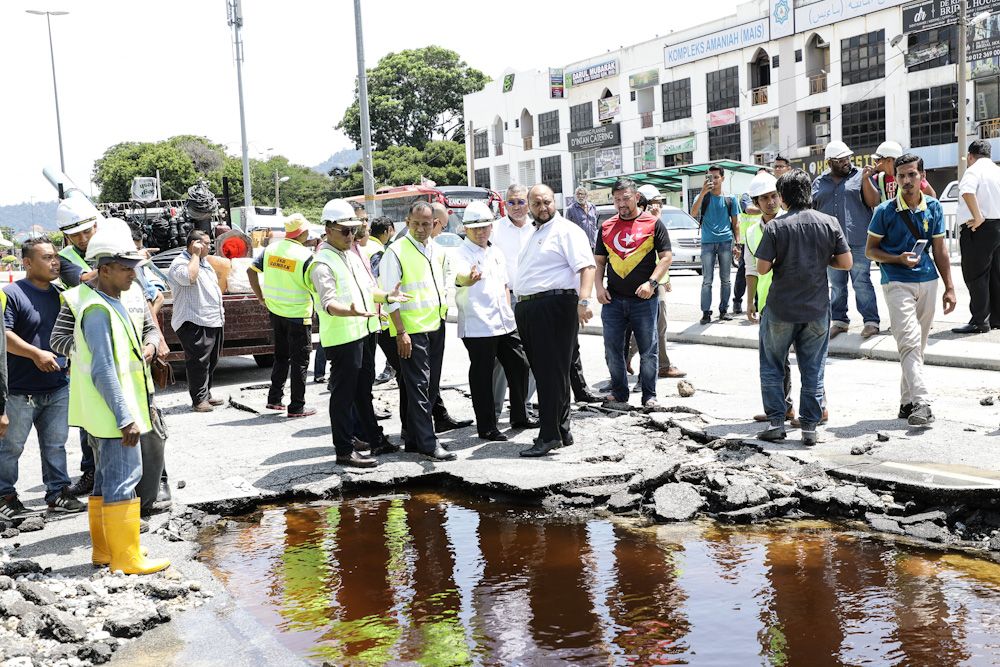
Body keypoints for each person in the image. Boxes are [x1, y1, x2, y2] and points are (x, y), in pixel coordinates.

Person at [61, 225, 169, 574]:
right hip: (114, 413)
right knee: (124, 478)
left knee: (107, 480)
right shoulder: (97, 310)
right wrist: (126, 417)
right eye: (125, 267)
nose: (133, 273)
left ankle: (106, 551)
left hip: (105, 411)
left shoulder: (112, 300)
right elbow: (104, 370)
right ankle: (127, 557)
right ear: (104, 268)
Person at [754, 169, 852, 446]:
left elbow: (762, 268)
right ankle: (810, 427)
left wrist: (781, 260)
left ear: (783, 197)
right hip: (817, 308)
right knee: (813, 367)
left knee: (772, 365)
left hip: (780, 308)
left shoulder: (775, 227)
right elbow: (845, 263)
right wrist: (822, 260)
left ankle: (776, 423)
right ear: (809, 193)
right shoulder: (829, 222)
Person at [310, 199, 409, 468]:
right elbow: (329, 303)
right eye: (345, 230)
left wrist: (387, 295)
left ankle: (372, 438)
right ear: (328, 229)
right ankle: (343, 450)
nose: (351, 236)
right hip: (343, 339)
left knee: (363, 391)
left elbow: (368, 290)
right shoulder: (322, 262)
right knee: (343, 396)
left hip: (364, 332)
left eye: (353, 230)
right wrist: (351, 312)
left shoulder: (350, 254)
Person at [866, 154, 957, 426]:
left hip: (928, 279)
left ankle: (906, 403)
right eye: (902, 175)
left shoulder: (934, 207)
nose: (906, 180)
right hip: (895, 280)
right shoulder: (884, 211)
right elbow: (871, 251)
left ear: (922, 176)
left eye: (912, 175)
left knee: (918, 346)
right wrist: (897, 258)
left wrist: (950, 288)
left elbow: (940, 250)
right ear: (895, 178)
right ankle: (922, 402)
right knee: (908, 340)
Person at [0, 238, 84, 520]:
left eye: (56, 257)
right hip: (19, 390)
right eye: (47, 258)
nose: (55, 262)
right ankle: (5, 497)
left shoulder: (61, 294)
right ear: (27, 262)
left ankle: (58, 493)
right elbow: (4, 336)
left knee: (55, 444)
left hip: (57, 385)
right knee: (11, 447)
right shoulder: (11, 294)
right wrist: (36, 354)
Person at [515, 184, 596, 457]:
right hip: (532, 308)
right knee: (551, 373)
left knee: (550, 374)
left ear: (555, 202)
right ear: (529, 206)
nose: (543, 207)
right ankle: (561, 429)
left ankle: (548, 435)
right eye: (536, 203)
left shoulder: (566, 230)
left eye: (547, 202)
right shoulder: (535, 231)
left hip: (553, 305)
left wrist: (583, 302)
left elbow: (586, 267)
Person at [745, 171, 829, 428]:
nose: (770, 202)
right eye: (764, 198)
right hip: (772, 304)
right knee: (781, 361)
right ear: (756, 203)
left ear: (781, 196)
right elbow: (752, 270)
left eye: (773, 196)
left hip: (801, 300)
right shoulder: (752, 231)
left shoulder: (793, 222)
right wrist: (751, 302)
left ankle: (817, 409)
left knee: (808, 361)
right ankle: (783, 409)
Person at [379, 201, 456, 461]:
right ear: (407, 222)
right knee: (419, 387)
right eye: (416, 224)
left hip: (435, 324)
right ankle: (427, 442)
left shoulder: (438, 249)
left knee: (431, 386)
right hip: (411, 330)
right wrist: (400, 332)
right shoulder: (396, 251)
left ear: (434, 223)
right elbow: (389, 297)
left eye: (426, 224)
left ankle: (413, 438)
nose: (421, 229)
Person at [453, 202, 535, 441]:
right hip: (478, 324)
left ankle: (520, 415)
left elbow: (505, 285)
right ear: (466, 229)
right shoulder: (460, 253)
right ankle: (487, 426)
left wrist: (508, 311)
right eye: (475, 228)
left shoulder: (495, 251)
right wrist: (467, 279)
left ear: (491, 226)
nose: (480, 232)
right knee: (483, 377)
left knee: (520, 364)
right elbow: (461, 277)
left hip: (504, 322)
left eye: (484, 227)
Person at [595, 179, 672, 410]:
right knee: (612, 350)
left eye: (626, 198)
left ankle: (649, 395)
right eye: (617, 200)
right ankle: (619, 393)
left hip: (644, 301)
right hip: (613, 300)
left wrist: (652, 283)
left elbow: (666, 257)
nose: (621, 204)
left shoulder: (653, 224)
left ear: (637, 197)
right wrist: (598, 288)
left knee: (649, 350)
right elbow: (599, 263)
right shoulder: (606, 227)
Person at [248, 213, 316, 417]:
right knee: (300, 361)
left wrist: (260, 297)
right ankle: (297, 407)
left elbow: (251, 272)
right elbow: (315, 287)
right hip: (298, 315)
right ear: (302, 232)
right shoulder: (305, 256)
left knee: (281, 356)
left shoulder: (271, 249)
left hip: (275, 312)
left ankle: (275, 399)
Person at [811, 140, 879, 339]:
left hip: (857, 239)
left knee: (861, 282)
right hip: (830, 243)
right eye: (840, 160)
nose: (846, 162)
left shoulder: (860, 175)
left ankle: (871, 321)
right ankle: (840, 322)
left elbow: (874, 201)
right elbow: (813, 209)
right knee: (837, 284)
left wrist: (867, 179)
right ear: (829, 162)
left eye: (847, 158)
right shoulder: (819, 182)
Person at [55, 199, 101, 497]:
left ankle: (154, 474)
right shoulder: (66, 258)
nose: (83, 239)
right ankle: (91, 471)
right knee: (88, 414)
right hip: (83, 342)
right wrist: (119, 261)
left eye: (87, 232)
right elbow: (82, 281)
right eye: (76, 235)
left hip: (120, 335)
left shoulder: (111, 246)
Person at [623, 185, 686, 381]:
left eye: (660, 203)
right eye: (655, 203)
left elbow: (665, 257)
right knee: (655, 326)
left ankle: (632, 357)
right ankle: (660, 365)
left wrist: (666, 279)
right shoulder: (644, 226)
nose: (659, 207)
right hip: (647, 285)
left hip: (657, 282)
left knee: (656, 326)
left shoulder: (655, 223)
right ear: (644, 204)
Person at [167, 230, 225, 412]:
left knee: (211, 360)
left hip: (211, 319)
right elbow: (189, 278)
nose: (210, 246)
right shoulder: (180, 263)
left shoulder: (204, 263)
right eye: (206, 243)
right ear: (194, 244)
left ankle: (206, 394)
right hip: (194, 320)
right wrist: (195, 255)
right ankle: (199, 400)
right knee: (198, 362)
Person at [953, 140, 1000, 334]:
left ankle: (979, 321)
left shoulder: (973, 170)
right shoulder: (997, 170)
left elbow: (967, 191)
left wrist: (978, 216)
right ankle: (996, 318)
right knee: (996, 274)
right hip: (998, 226)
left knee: (976, 275)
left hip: (978, 228)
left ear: (971, 156)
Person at [691, 165, 741, 324]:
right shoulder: (702, 197)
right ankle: (706, 312)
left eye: (716, 177)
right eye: (710, 177)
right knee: (707, 280)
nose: (713, 180)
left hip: (726, 241)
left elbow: (736, 223)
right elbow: (693, 213)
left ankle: (723, 310)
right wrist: (702, 193)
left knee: (726, 279)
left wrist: (737, 243)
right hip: (707, 242)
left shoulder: (731, 198)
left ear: (723, 178)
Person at [367, 216, 397, 385]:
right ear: (387, 231)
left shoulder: (363, 246)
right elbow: (376, 279)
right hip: (377, 310)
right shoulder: (377, 251)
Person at [862, 141, 937, 207]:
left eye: (878, 159)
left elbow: (931, 196)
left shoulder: (913, 177)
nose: (875, 162)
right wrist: (866, 178)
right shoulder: (876, 179)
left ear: (889, 160)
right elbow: (872, 203)